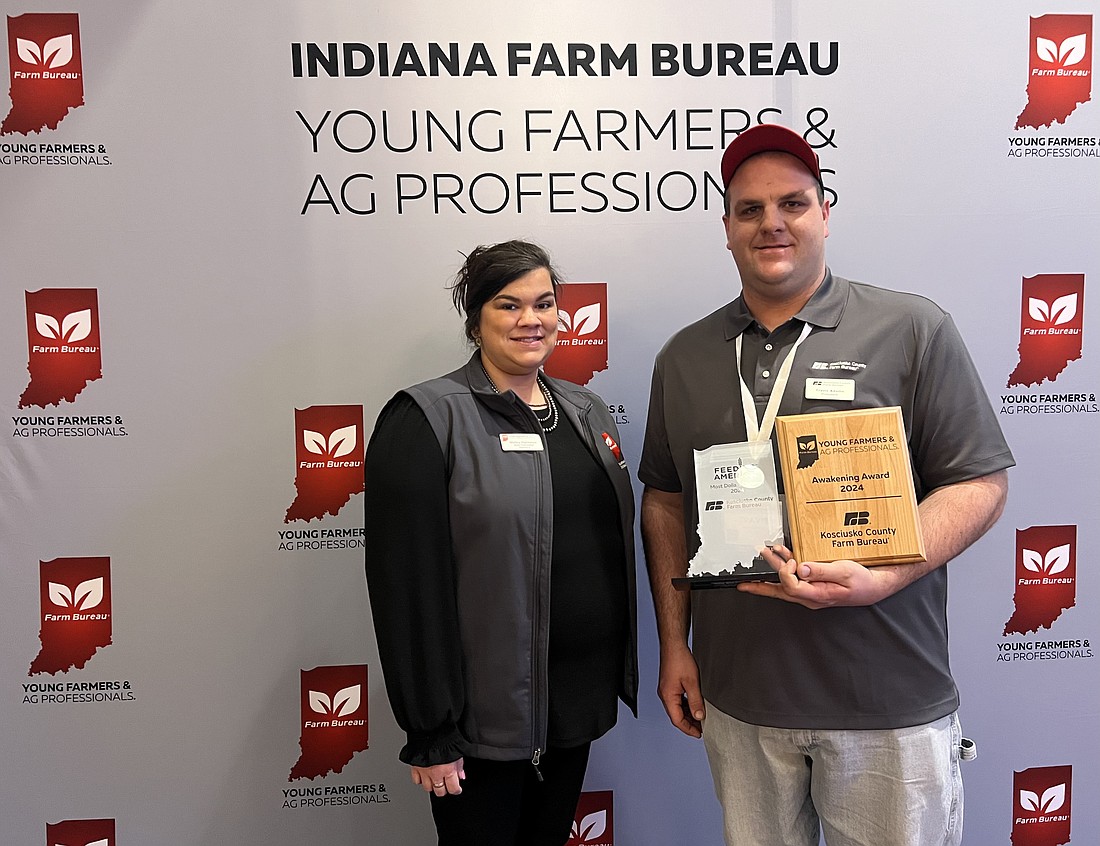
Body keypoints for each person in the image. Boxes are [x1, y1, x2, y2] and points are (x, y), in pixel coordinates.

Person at [639, 125, 1014, 846]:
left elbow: (978, 483)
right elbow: (664, 500)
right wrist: (674, 645)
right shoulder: (684, 356)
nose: (771, 223)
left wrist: (885, 575)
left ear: (825, 213)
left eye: (793, 203)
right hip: (742, 702)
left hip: (886, 701)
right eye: (748, 209)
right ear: (725, 229)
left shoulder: (911, 329)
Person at [364, 240, 638, 846]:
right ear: (475, 319)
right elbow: (408, 588)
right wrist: (431, 730)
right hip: (479, 721)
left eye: (544, 303)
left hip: (573, 705)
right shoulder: (426, 418)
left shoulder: (586, 410)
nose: (530, 320)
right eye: (508, 305)